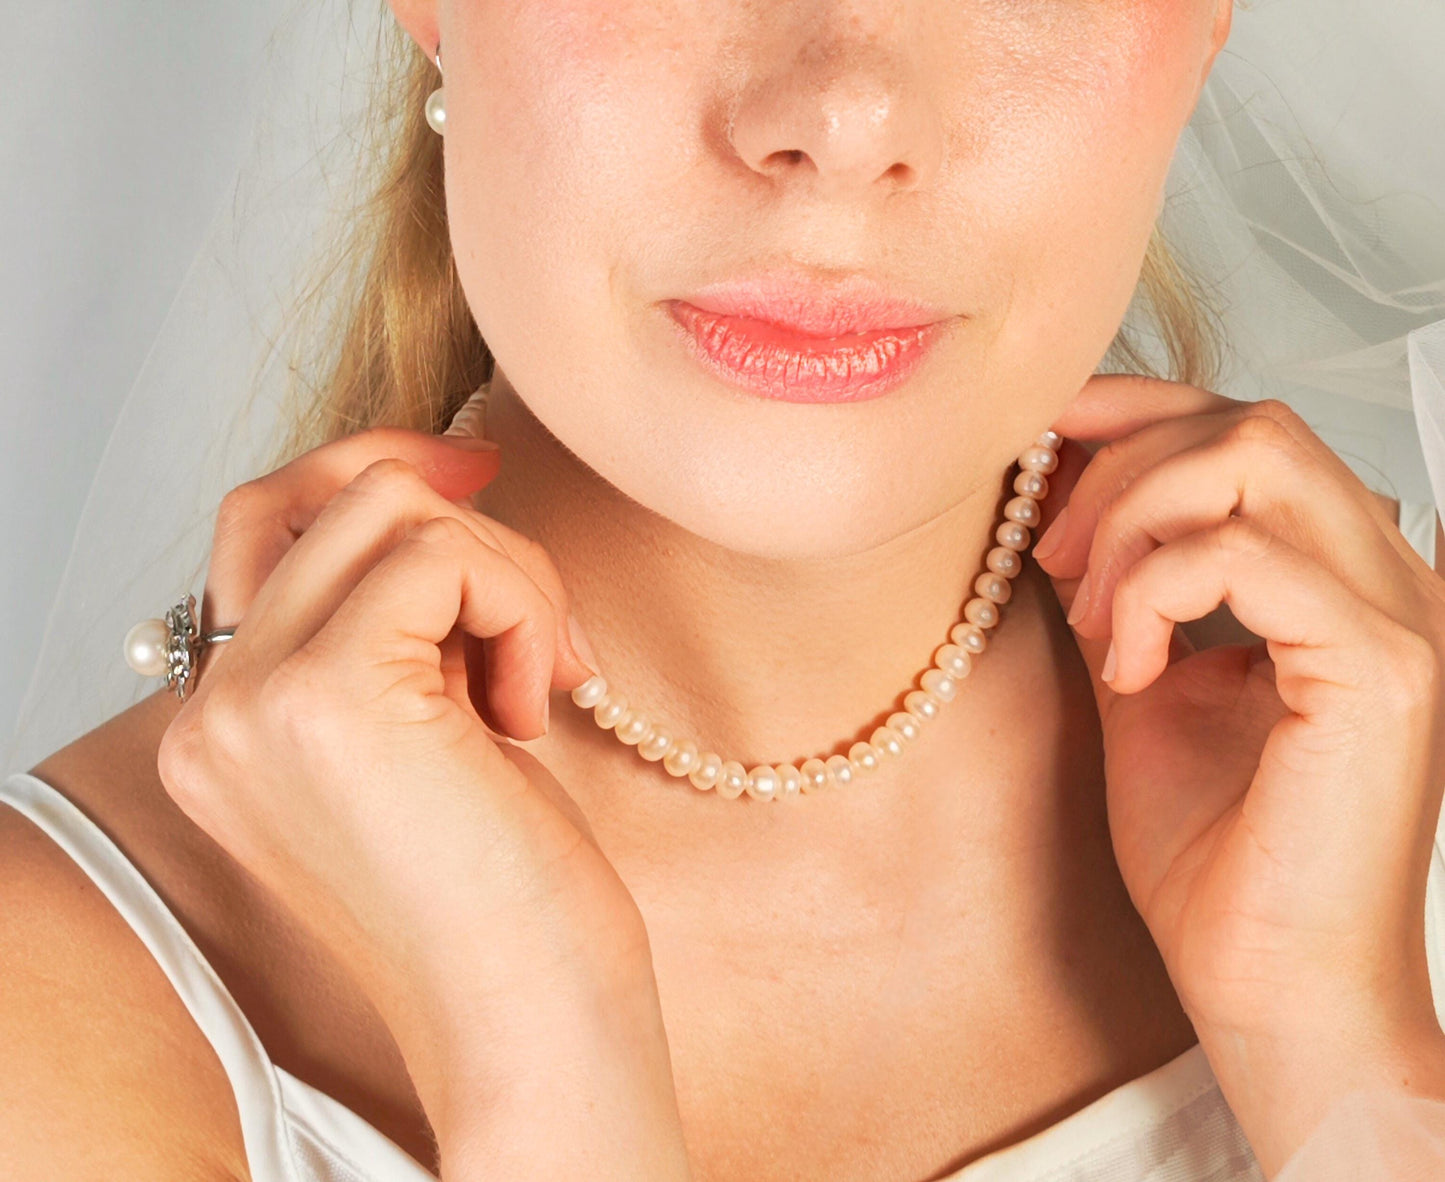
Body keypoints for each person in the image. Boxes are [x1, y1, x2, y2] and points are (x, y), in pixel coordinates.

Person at [4, 1, 1445, 1180]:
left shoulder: (1370, 765)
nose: (839, 117)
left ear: (1202, 28)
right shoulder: (48, 1013)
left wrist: (1343, 1049)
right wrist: (539, 1040)